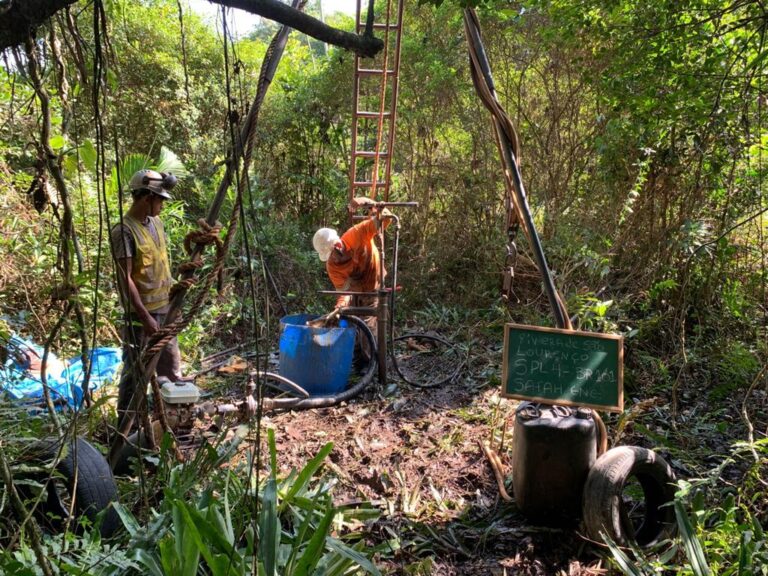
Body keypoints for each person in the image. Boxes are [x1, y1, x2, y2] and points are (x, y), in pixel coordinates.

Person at [110, 169, 182, 424]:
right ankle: (128, 429)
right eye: (159, 199)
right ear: (145, 198)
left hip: (166, 310)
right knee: (136, 374)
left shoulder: (156, 223)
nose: (162, 205)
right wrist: (143, 316)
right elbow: (125, 277)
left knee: (171, 370)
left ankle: (168, 422)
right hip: (141, 317)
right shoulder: (124, 231)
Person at [312, 196, 394, 360]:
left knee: (370, 324)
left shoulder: (356, 234)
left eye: (331, 255)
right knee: (352, 322)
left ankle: (373, 364)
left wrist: (367, 201)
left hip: (374, 281)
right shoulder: (332, 266)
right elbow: (343, 291)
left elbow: (385, 219)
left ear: (337, 246)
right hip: (356, 289)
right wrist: (339, 308)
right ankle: (358, 359)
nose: (331, 259)